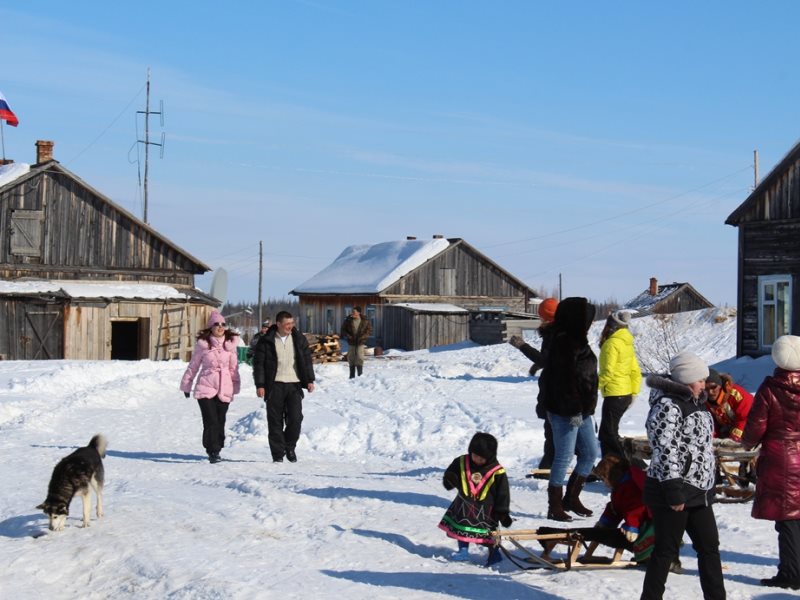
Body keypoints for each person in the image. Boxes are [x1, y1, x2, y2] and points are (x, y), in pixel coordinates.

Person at [640, 351, 726, 600]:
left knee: (709, 548)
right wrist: (674, 490)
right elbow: (665, 451)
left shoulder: (697, 402)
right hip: (673, 491)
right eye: (700, 380)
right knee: (665, 551)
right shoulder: (668, 406)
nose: (705, 385)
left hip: (699, 491)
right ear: (687, 379)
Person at [741, 334, 800, 591]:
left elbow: (755, 427)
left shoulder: (770, 388)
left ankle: (791, 573)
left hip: (781, 458)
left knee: (787, 519)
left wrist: (746, 443)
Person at [539, 296, 600, 521]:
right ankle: (554, 505)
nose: (591, 322)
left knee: (590, 453)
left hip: (582, 411)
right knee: (564, 456)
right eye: (587, 318)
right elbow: (563, 381)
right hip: (567, 411)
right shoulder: (563, 342)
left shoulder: (577, 340)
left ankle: (571, 498)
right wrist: (575, 408)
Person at [538, 454, 657, 565]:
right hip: (636, 529)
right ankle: (551, 534)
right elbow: (615, 508)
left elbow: (637, 507)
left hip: (646, 530)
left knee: (604, 535)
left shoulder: (631, 486)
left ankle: (551, 535)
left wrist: (632, 525)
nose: (604, 482)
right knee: (599, 533)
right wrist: (605, 522)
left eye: (604, 478)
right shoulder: (621, 486)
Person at [439, 432, 512, 566]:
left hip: (487, 509)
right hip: (463, 506)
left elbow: (503, 493)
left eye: (481, 458)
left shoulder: (497, 471)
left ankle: (494, 554)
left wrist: (502, 511)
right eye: (475, 455)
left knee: (489, 534)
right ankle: (463, 550)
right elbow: (450, 475)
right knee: (462, 529)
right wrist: (450, 480)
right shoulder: (461, 462)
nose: (477, 459)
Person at [252, 311, 315, 463]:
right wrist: (260, 384)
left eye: (292, 323)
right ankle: (278, 454)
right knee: (275, 421)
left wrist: (309, 380)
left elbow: (306, 360)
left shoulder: (298, 339)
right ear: (278, 324)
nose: (290, 326)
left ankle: (290, 446)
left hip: (294, 384)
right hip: (274, 385)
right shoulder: (267, 340)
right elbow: (259, 364)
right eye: (287, 324)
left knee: (296, 418)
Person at [179, 309, 241, 464]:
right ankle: (212, 450)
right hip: (205, 387)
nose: (220, 327)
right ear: (210, 327)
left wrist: (235, 386)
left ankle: (217, 446)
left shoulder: (230, 346)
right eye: (216, 324)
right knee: (211, 420)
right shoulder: (203, 345)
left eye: (223, 324)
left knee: (220, 420)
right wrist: (187, 385)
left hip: (224, 387)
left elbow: (234, 369)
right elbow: (193, 366)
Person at [508, 297, 559, 475]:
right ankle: (546, 468)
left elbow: (547, 359)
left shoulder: (554, 332)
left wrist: (523, 346)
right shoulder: (557, 331)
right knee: (554, 432)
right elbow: (550, 359)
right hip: (555, 388)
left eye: (542, 316)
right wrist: (537, 365)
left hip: (557, 390)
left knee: (557, 432)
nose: (541, 319)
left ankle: (549, 469)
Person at [598, 310, 642, 458]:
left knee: (608, 434)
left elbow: (607, 373)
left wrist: (591, 389)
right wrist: (634, 394)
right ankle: (610, 467)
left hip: (614, 394)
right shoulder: (627, 343)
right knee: (608, 432)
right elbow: (635, 371)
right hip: (625, 394)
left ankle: (621, 466)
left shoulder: (611, 344)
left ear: (610, 326)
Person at [705, 369, 753, 443]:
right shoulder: (704, 401)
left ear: (720, 385)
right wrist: (712, 441)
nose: (710, 392)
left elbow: (745, 419)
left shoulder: (737, 394)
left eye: (713, 387)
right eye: (706, 389)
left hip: (751, 427)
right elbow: (711, 424)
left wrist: (732, 440)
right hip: (729, 430)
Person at [340, 306, 372, 378]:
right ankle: (352, 375)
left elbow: (369, 330)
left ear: (358, 312)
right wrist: (349, 336)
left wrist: (363, 337)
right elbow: (343, 330)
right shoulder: (348, 320)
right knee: (351, 357)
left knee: (359, 357)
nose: (353, 313)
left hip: (360, 342)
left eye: (354, 312)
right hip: (351, 342)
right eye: (353, 311)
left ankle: (360, 375)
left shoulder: (365, 320)